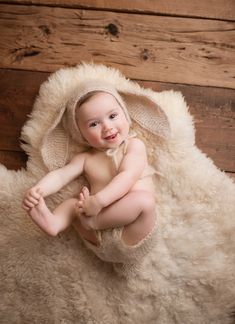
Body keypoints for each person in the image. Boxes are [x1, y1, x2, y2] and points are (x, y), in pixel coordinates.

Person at [22, 84, 157, 266]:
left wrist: (98, 202)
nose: (107, 127)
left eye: (112, 116)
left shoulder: (133, 146)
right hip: (99, 240)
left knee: (144, 200)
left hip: (132, 233)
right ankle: (53, 223)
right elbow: (61, 176)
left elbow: (128, 176)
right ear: (82, 135)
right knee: (72, 204)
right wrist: (38, 191)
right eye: (94, 124)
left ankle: (95, 221)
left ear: (125, 115)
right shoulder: (85, 158)